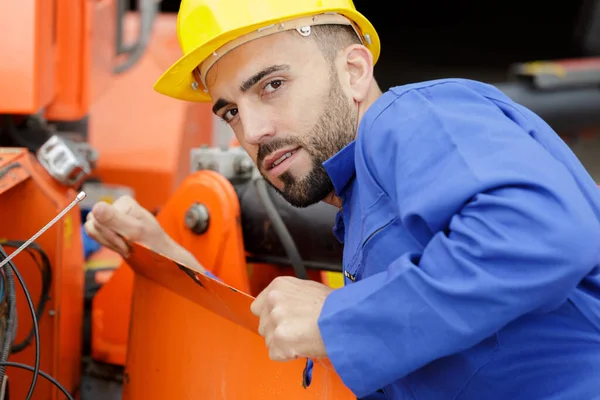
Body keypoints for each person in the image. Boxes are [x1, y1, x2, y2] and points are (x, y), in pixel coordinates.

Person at [84, 0, 600, 398]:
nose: (252, 131)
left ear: (354, 71)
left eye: (272, 85)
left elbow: (541, 233)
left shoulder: (412, 116)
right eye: (231, 113)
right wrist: (170, 260)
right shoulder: (358, 222)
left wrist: (339, 316)